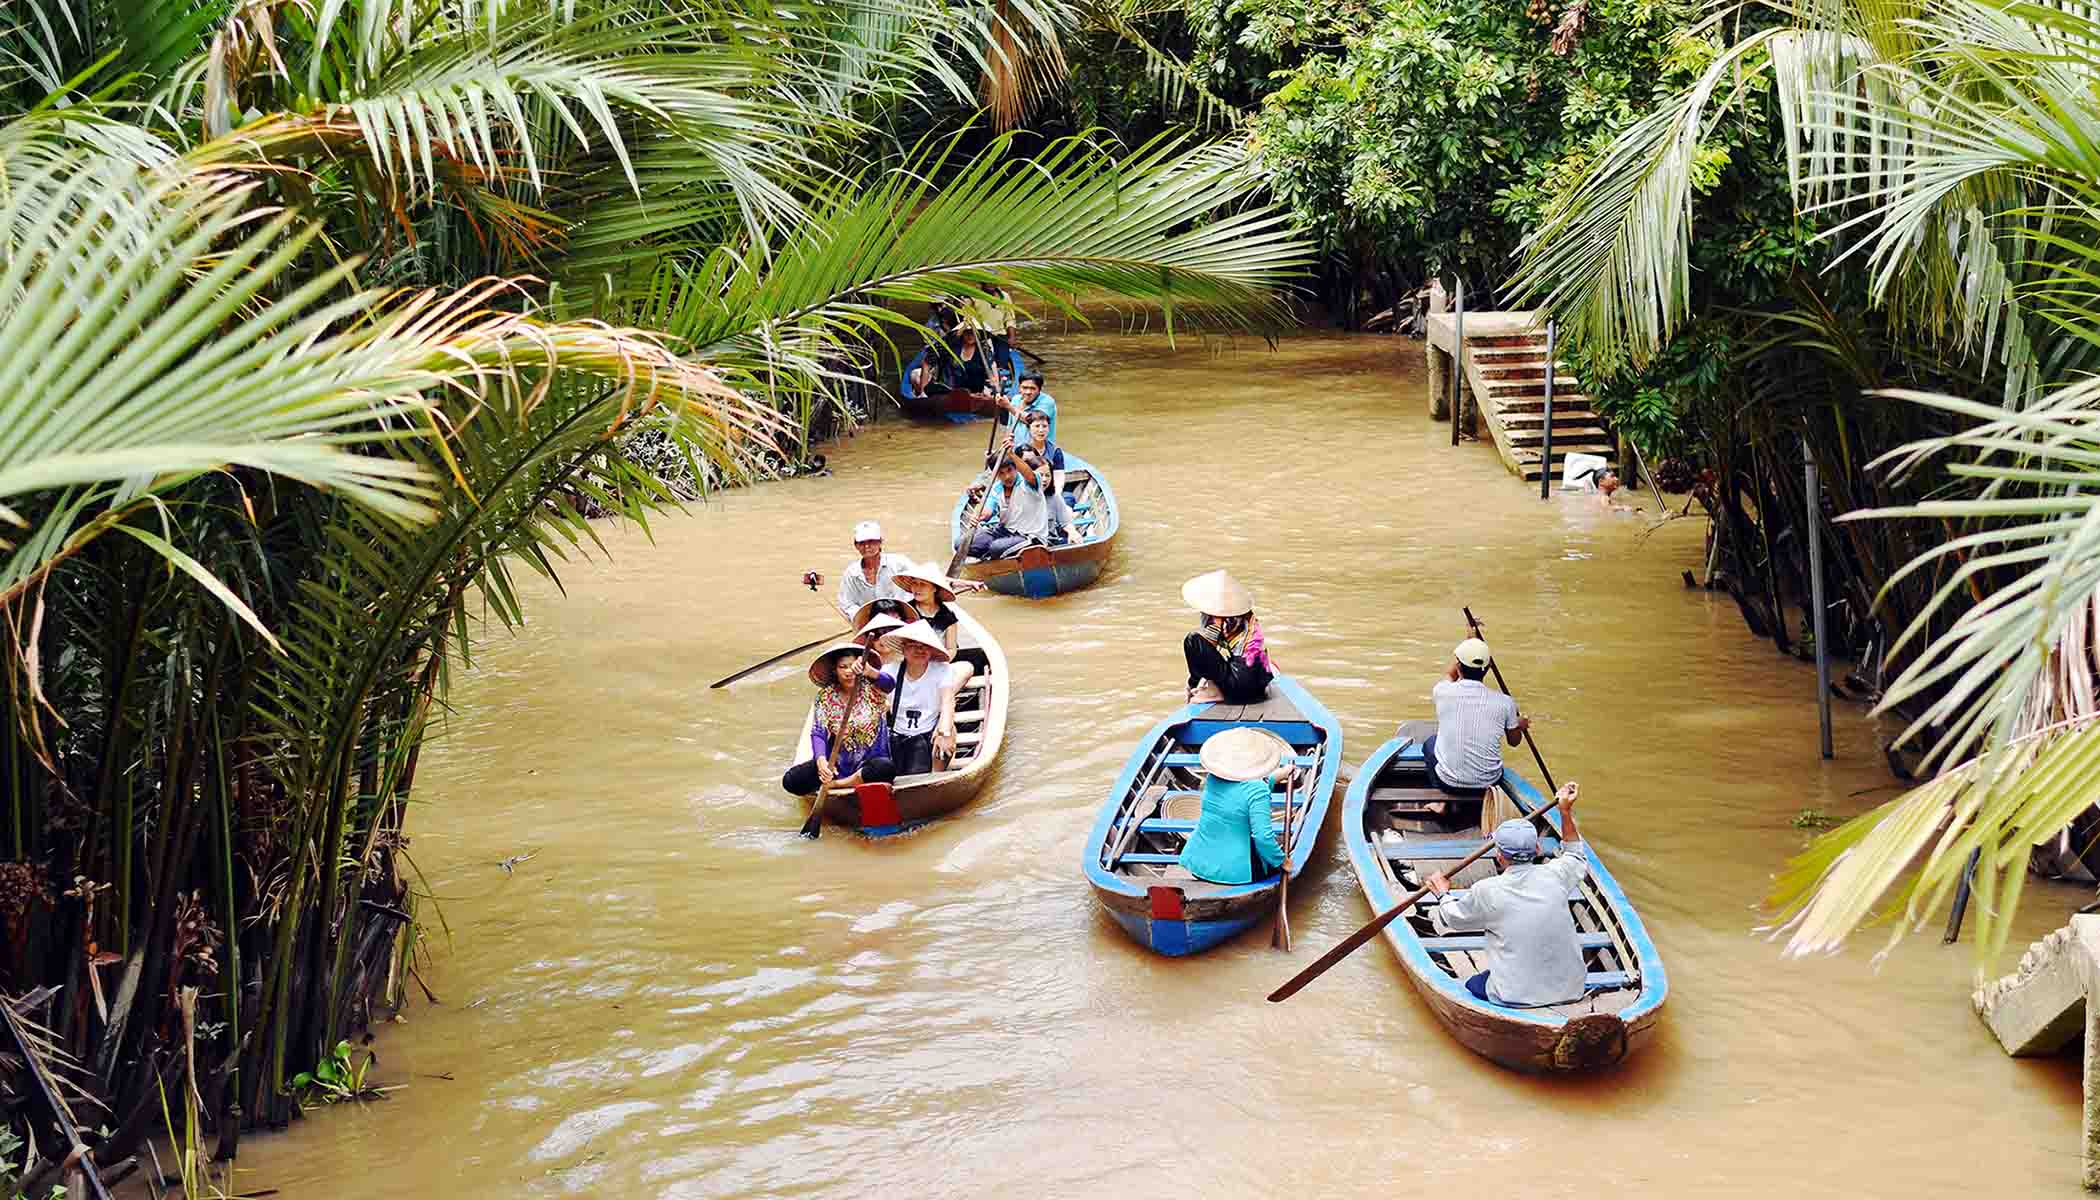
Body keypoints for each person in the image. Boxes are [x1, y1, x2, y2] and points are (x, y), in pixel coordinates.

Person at [1425, 782, 1592, 1007]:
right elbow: (1574, 853)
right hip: (1572, 990)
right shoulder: (1556, 874)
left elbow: (1454, 918)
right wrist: (1565, 810)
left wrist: (1442, 895)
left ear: (1499, 857)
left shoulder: (1487, 890)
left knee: (1473, 985)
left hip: (1515, 996)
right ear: (1537, 850)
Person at [1420, 638, 1529, 821]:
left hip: (1448, 783)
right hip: (1489, 783)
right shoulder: (1505, 702)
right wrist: (1519, 725)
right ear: (1487, 669)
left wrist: (1469, 641)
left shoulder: (1442, 691)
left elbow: (1450, 674)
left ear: (1458, 666)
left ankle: (1442, 803)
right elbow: (1514, 741)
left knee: (1430, 743)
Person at [781, 642, 897, 797]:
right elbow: (818, 732)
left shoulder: (872, 686)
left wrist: (870, 671)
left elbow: (890, 683)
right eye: (843, 667)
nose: (849, 672)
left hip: (869, 765)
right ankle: (832, 780)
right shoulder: (826, 696)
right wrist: (821, 762)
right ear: (835, 671)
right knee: (791, 780)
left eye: (852, 666)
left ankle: (838, 785)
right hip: (837, 765)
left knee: (885, 768)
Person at [1177, 727, 1290, 884]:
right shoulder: (1258, 790)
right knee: (1271, 859)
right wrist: (1282, 861)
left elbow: (1241, 791)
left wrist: (1279, 775)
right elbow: (1263, 837)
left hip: (1199, 864)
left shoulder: (1213, 779)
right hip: (1237, 874)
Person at [878, 620, 976, 776]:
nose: (919, 650)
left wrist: (944, 731)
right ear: (903, 649)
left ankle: (935, 776)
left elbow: (947, 701)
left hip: (927, 734)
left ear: (931, 650)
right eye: (913, 645)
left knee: (948, 731)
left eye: (924, 646)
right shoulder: (890, 671)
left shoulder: (942, 670)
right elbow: (876, 697)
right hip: (896, 736)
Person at [1180, 569, 1274, 704]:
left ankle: (1212, 692)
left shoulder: (1216, 617)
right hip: (1259, 687)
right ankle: (1216, 689)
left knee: (1192, 641)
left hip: (1240, 688)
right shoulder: (1246, 616)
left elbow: (1205, 648)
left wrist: (1192, 684)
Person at [966, 447, 1049, 560]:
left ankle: (993, 556)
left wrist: (1011, 454)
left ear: (1016, 468)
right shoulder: (995, 488)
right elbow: (988, 511)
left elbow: (1030, 475)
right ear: (995, 475)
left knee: (996, 547)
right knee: (961, 543)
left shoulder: (1028, 483)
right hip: (1004, 532)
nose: (1007, 477)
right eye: (1001, 473)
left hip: (1030, 536)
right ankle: (991, 556)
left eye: (1009, 470)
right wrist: (978, 516)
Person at [893, 561, 982, 655]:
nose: (917, 588)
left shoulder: (948, 616)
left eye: (923, 584)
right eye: (914, 583)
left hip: (937, 661)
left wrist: (940, 664)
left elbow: (951, 649)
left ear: (934, 588)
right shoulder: (905, 610)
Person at [834, 520, 911, 620]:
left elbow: (918, 587)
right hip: (868, 623)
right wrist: (864, 619)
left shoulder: (900, 564)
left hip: (901, 618)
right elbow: (847, 604)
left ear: (880, 542)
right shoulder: (851, 573)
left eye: (871, 541)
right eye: (862, 543)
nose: (866, 546)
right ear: (856, 546)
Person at [911, 326, 996, 400]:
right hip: (948, 389)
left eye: (974, 333)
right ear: (962, 333)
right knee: (915, 375)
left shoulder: (984, 350)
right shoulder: (950, 344)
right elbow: (927, 363)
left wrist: (993, 391)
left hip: (974, 392)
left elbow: (992, 373)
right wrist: (923, 392)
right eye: (967, 332)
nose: (970, 336)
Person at [993, 370, 1057, 444]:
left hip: (1040, 452)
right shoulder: (1016, 399)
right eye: (1024, 388)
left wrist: (1008, 406)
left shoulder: (1047, 401)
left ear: (1040, 389)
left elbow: (1033, 420)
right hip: (1018, 449)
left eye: (1032, 388)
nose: (1028, 392)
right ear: (1019, 387)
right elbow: (1010, 427)